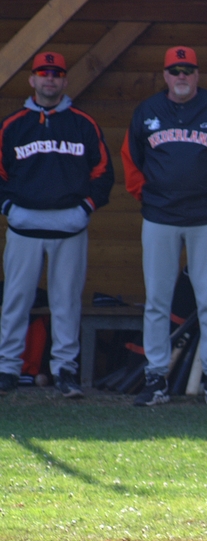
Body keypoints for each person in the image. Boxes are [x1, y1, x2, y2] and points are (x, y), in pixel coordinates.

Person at [121, 46, 207, 407]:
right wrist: (146, 195)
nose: (181, 76)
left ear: (197, 75)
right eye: (175, 71)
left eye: (188, 70)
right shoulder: (148, 111)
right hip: (160, 217)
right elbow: (131, 158)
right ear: (165, 75)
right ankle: (156, 378)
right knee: (157, 301)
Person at [0, 51, 113, 398]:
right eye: (43, 73)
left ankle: (65, 369)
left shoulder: (83, 124)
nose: (50, 79)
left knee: (67, 302)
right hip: (24, 226)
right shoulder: (13, 125)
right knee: (16, 300)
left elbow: (103, 172)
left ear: (64, 81)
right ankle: (7, 368)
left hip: (69, 227)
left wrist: (85, 209)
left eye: (56, 74)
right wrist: (8, 208)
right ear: (32, 79)